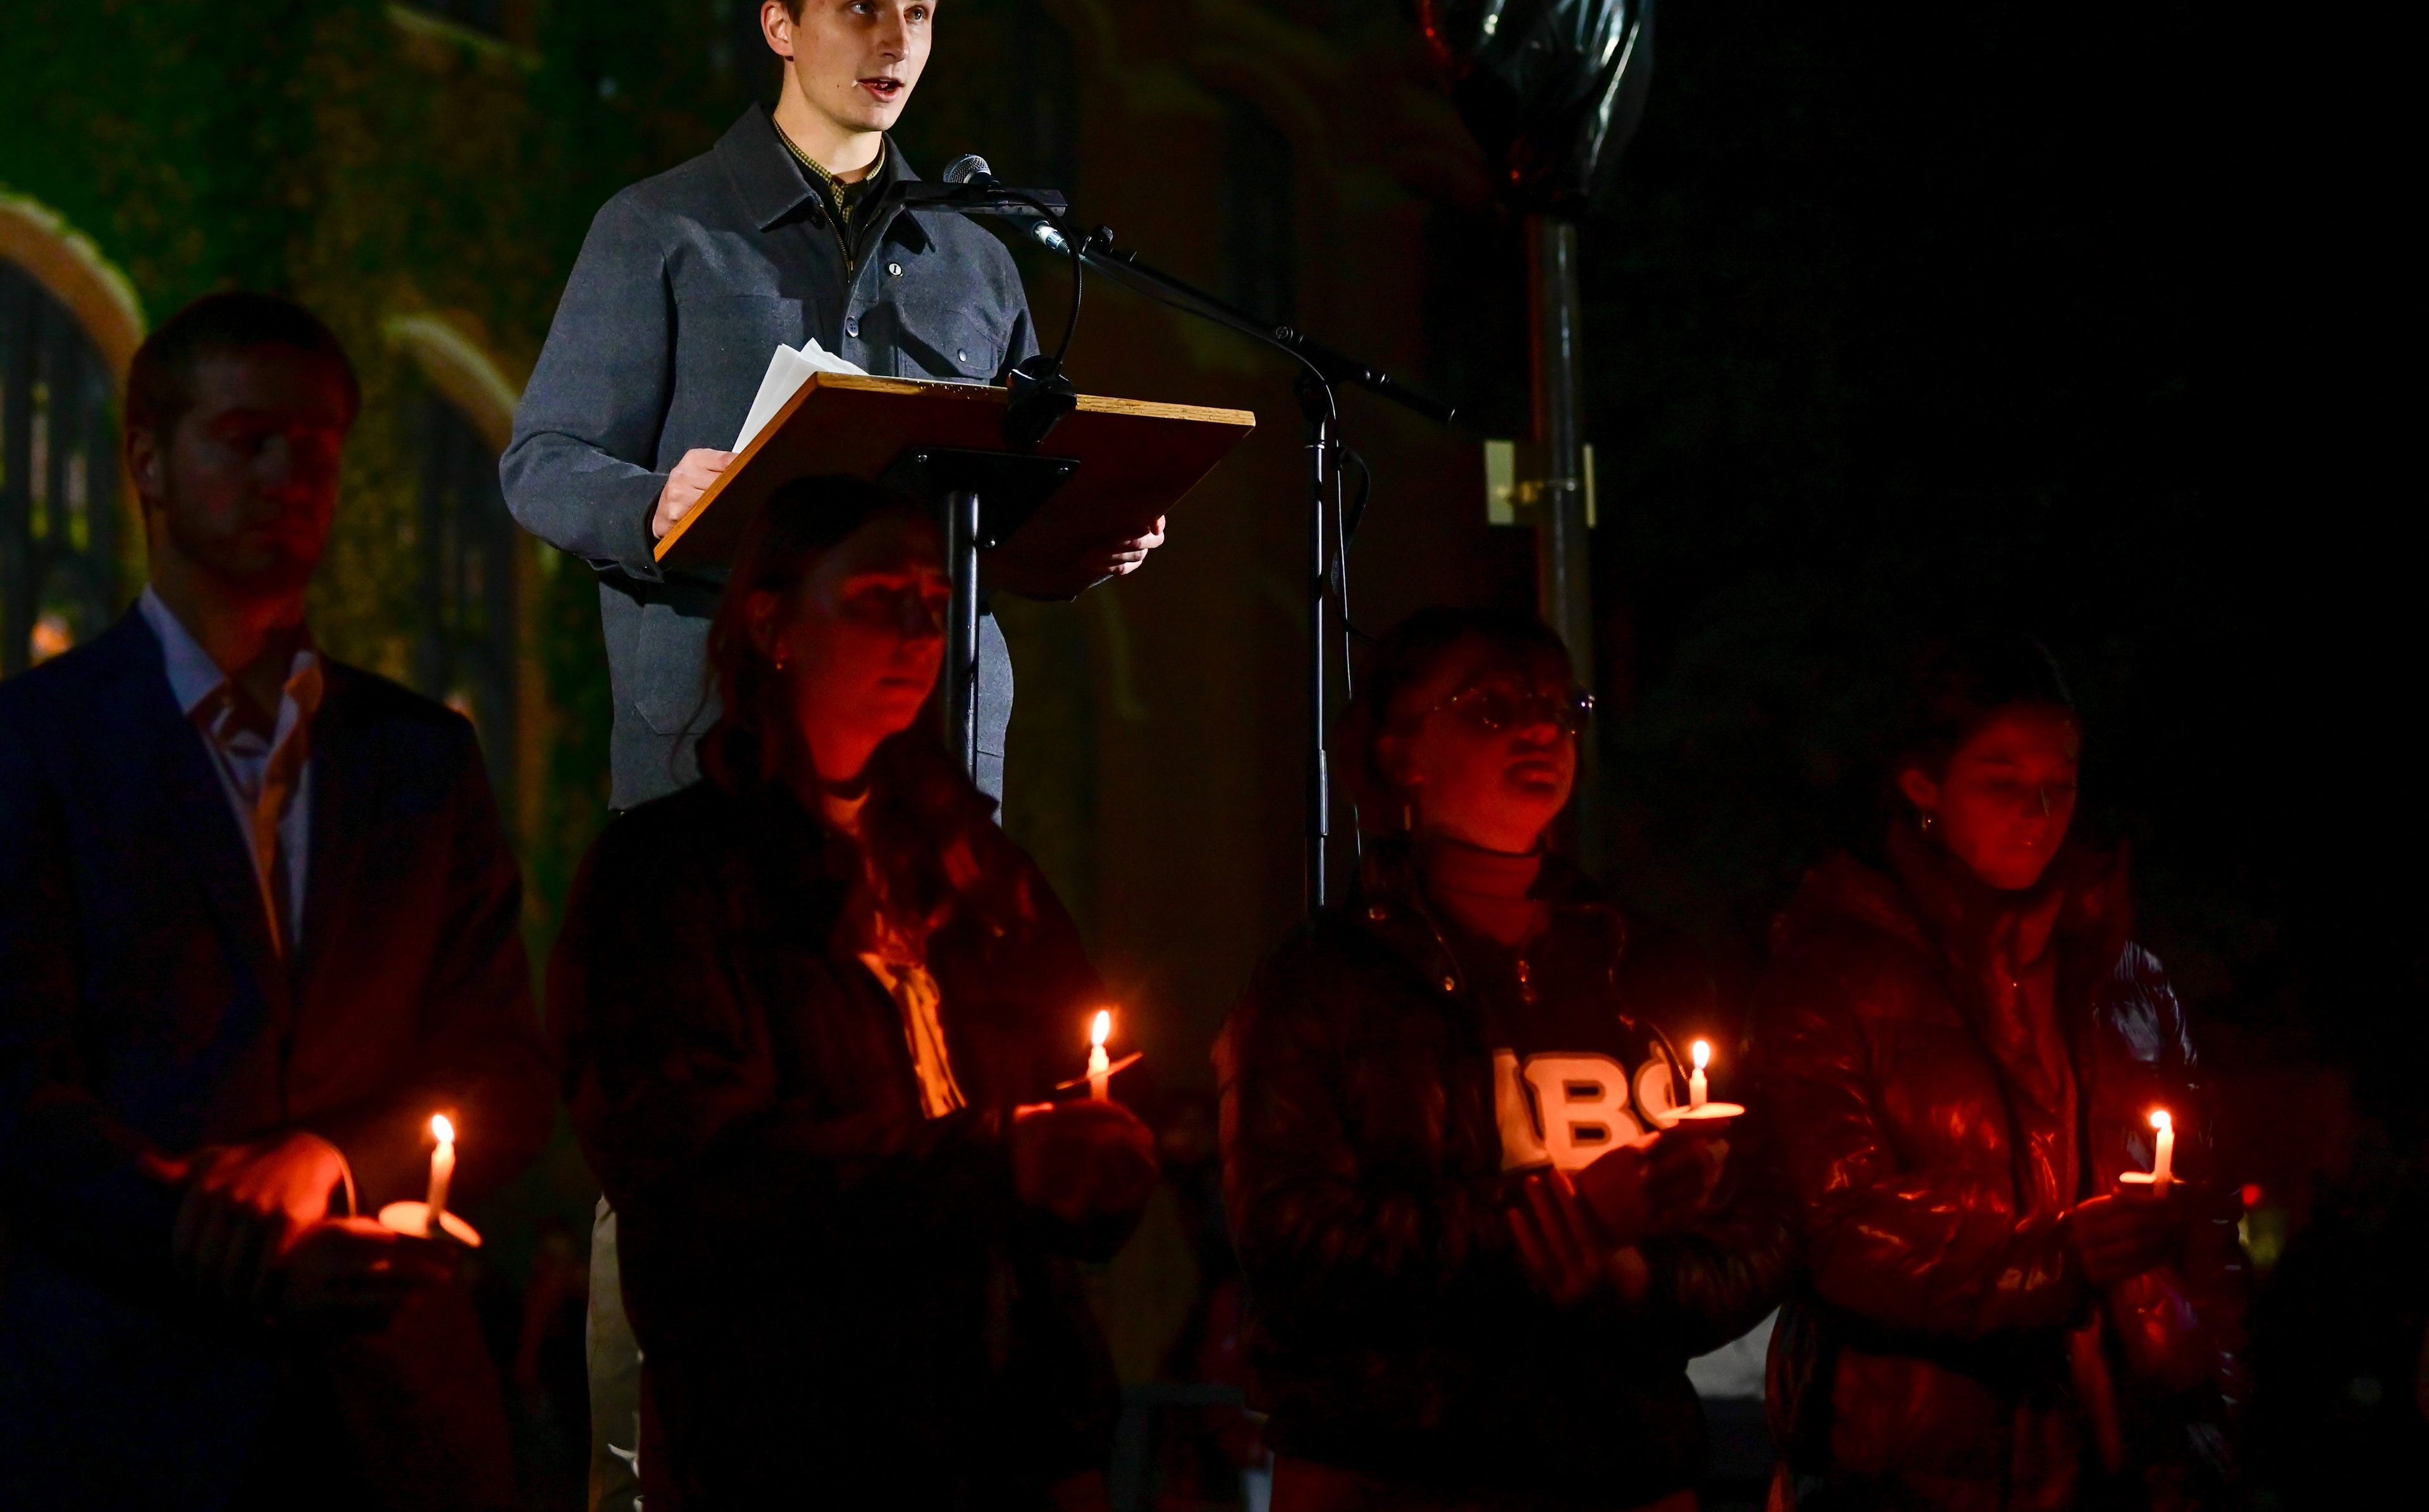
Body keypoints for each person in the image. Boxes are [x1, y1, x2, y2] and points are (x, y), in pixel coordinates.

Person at [0, 293, 555, 1510]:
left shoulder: (418, 757)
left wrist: (327, 1159)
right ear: (149, 460)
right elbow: (16, 1097)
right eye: (246, 440)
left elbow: (505, 1069)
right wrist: (221, 1247)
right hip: (126, 1412)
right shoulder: (37, 746)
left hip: (395, 1421)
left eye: (315, 452)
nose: (288, 478)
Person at [549, 474, 1159, 1509]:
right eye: (879, 597)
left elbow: (1074, 1074)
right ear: (772, 622)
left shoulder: (975, 870)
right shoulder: (673, 876)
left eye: (933, 601)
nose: (920, 631)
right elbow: (695, 1162)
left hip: (1010, 1433)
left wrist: (1115, 1154)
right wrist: (988, 1155)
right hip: (792, 1438)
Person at [500, 0, 1162, 815]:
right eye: (863, 7)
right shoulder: (661, 227)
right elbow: (542, 465)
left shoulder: (976, 261)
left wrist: (1091, 532)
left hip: (929, 753)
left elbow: (1008, 517)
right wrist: (655, 502)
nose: (897, 41)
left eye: (919, 13)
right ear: (781, 25)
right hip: (717, 738)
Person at [1219, 606, 1793, 1512]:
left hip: (1624, 1463)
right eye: (1492, 707)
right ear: (1402, 752)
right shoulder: (1329, 983)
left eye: (1559, 707)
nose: (1538, 728)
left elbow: (1764, 1218)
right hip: (1398, 1473)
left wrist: (1639, 1279)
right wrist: (1557, 1232)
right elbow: (1290, 1242)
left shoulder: (1648, 969)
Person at [1748, 635, 2245, 1511]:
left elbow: (2206, 1235)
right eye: (2003, 780)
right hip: (1912, 1468)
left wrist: (2210, 1411)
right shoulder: (1835, 974)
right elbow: (1844, 1230)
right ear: (1923, 787)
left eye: (2063, 779)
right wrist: (2059, 1258)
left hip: (2124, 1467)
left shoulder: (2127, 981)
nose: (2039, 808)